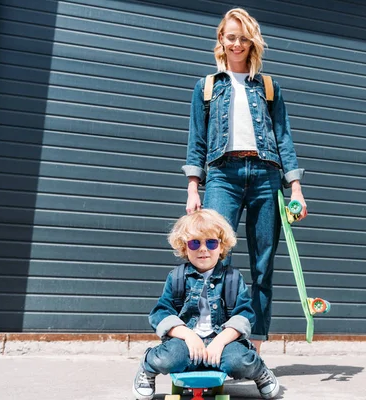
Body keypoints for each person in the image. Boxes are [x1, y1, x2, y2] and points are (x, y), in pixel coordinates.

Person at [182, 7, 308, 353]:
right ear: (221, 39)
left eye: (243, 37)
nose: (236, 44)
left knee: (263, 262)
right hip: (223, 174)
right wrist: (194, 186)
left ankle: (253, 343)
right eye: (230, 36)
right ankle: (213, 335)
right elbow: (197, 141)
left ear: (252, 42)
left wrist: (295, 186)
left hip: (266, 175)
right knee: (213, 255)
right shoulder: (206, 87)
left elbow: (283, 138)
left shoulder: (268, 87)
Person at [132, 209, 280, 400]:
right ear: (185, 248)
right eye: (195, 243)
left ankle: (259, 370)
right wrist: (187, 335)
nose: (203, 249)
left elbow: (244, 316)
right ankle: (148, 367)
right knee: (170, 357)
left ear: (221, 246)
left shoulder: (233, 278)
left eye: (211, 242)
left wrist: (220, 341)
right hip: (186, 344)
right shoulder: (176, 277)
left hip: (222, 343)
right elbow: (161, 313)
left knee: (239, 360)